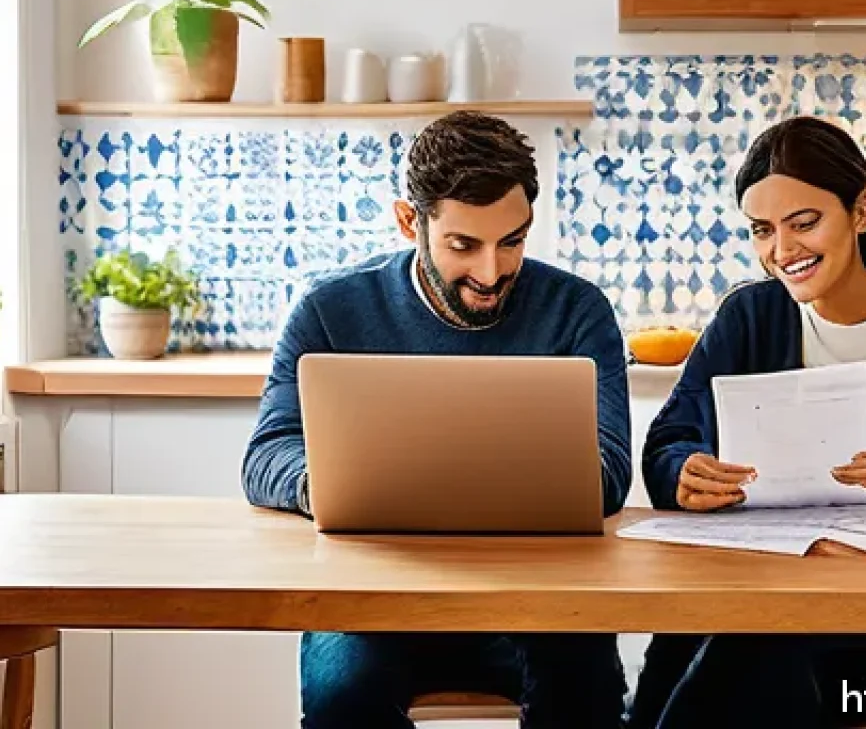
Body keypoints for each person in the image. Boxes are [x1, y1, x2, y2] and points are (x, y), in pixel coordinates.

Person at [629, 115, 866, 729]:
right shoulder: (747, 318)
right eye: (763, 230)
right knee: (747, 646)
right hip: (763, 590)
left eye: (804, 223)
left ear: (861, 211)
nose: (782, 252)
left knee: (751, 656)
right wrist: (684, 471)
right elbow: (668, 443)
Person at [241, 110, 632, 729]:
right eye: (463, 245)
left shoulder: (576, 311)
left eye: (512, 241)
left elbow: (609, 471)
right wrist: (336, 485)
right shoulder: (330, 310)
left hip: (542, 597)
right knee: (343, 694)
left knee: (586, 688)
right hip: (375, 596)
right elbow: (266, 456)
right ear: (409, 223)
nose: (491, 271)